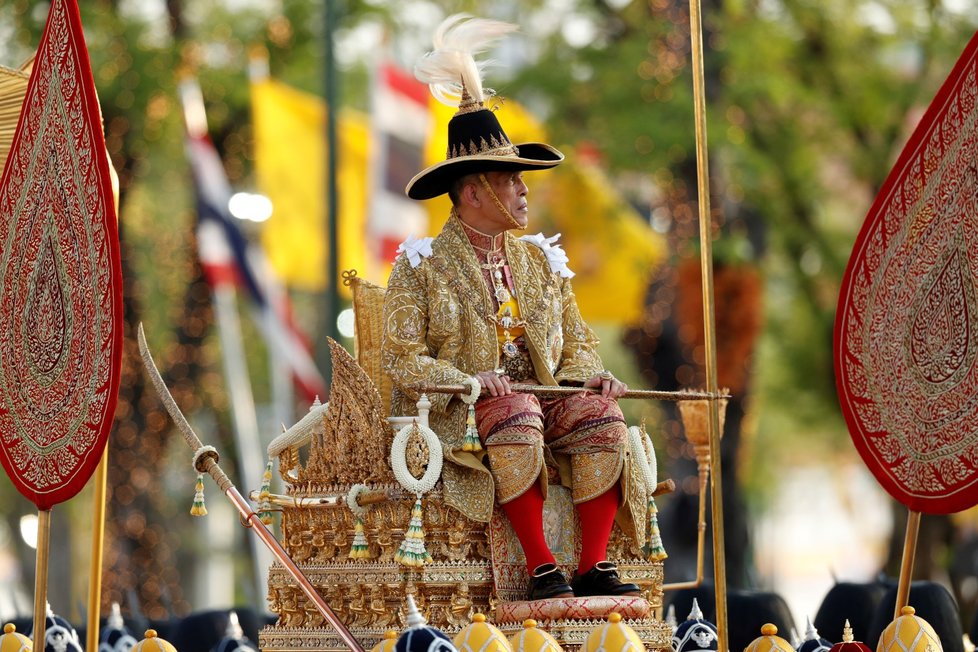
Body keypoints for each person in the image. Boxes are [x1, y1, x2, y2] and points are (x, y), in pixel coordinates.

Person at [382, 14, 641, 602]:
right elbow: (399, 359)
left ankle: (593, 565)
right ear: (473, 191)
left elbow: (578, 341)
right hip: (461, 415)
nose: (526, 191)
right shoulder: (419, 265)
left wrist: (590, 379)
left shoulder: (542, 260)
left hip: (540, 402)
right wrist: (468, 381)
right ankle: (543, 565)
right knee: (515, 412)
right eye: (512, 180)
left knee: (602, 419)